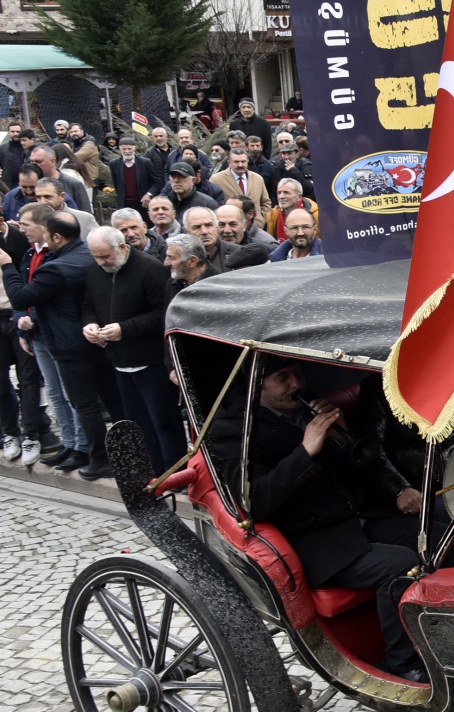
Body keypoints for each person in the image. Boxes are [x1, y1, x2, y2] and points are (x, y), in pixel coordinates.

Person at [210, 360, 430, 680]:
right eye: (281, 378)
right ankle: (403, 662)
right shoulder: (233, 430)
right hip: (313, 540)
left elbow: (360, 472)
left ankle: (446, 631)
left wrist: (341, 435)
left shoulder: (309, 409)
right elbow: (256, 501)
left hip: (355, 518)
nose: (295, 384)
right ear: (257, 385)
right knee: (400, 563)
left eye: (297, 373)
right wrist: (305, 450)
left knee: (439, 536)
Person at [0, 209, 109, 479]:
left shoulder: (57, 266)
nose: (23, 229)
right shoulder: (72, 255)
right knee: (67, 398)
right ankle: (75, 446)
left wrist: (6, 265)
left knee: (84, 405)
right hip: (62, 338)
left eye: (44, 232)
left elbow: (22, 296)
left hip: (69, 344)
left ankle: (95, 456)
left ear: (56, 236)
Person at [79, 227, 183, 468]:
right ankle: (151, 467)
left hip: (151, 360)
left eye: (105, 256)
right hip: (119, 362)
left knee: (164, 420)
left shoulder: (150, 269)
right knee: (136, 421)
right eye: (95, 256)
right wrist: (91, 324)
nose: (100, 262)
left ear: (122, 248)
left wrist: (124, 329)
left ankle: (174, 468)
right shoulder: (94, 271)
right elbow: (87, 304)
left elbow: (162, 313)